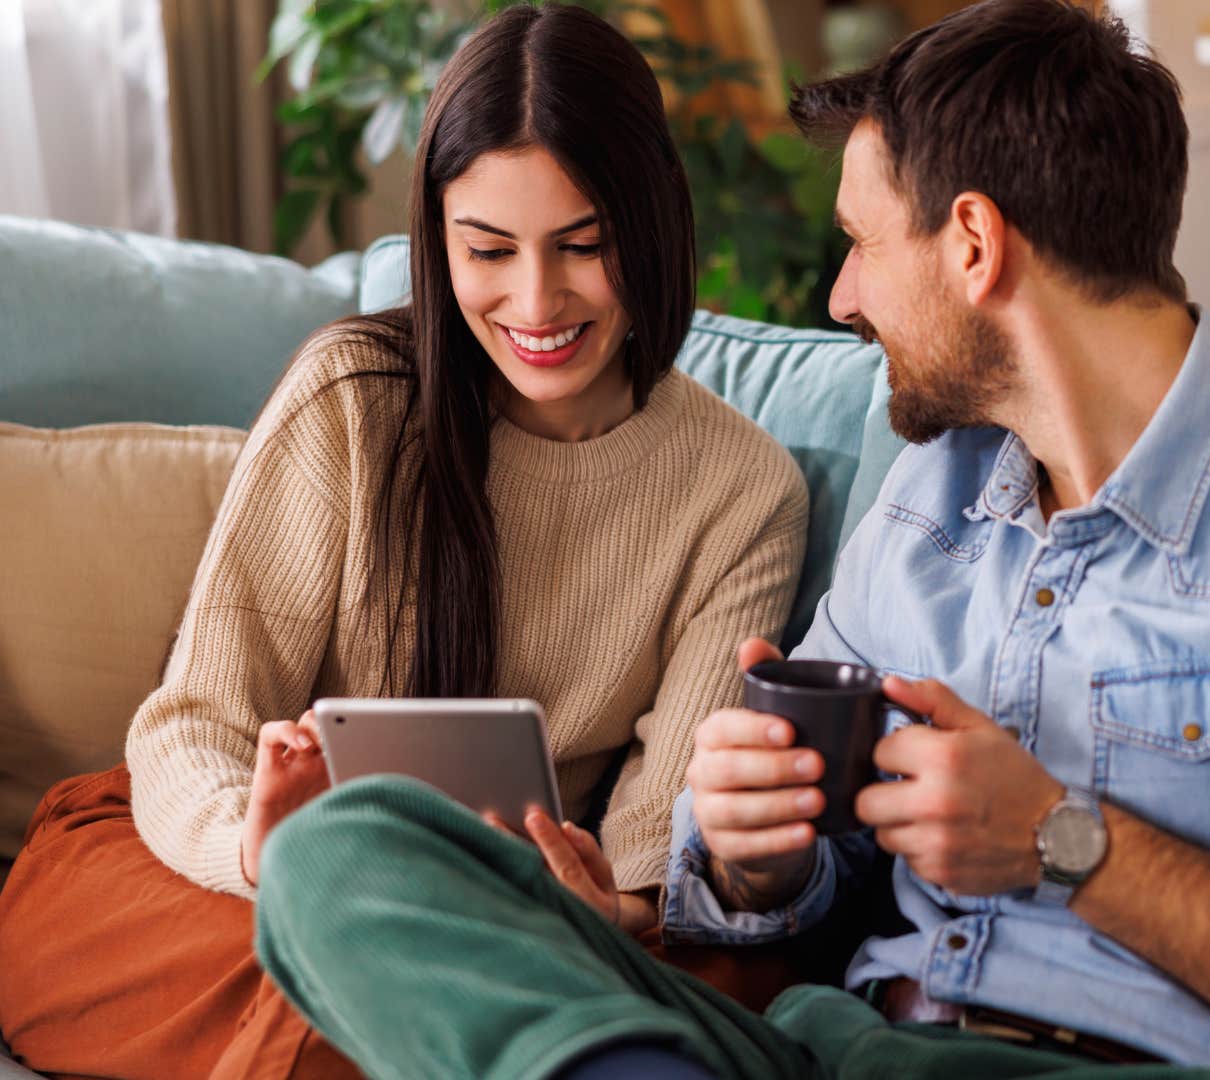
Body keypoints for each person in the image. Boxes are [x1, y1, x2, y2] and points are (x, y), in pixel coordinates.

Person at [247, 1, 1210, 1077]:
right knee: (340, 849)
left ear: (975, 243)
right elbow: (759, 872)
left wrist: (1068, 841)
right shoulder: (938, 502)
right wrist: (756, 853)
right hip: (837, 1047)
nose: (839, 296)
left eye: (864, 244)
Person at [0, 7, 810, 1078]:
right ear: (439, 238)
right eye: (487, 250)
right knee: (214, 939)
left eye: (583, 246)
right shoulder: (354, 396)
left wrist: (597, 899)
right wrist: (263, 848)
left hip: (521, 923)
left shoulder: (740, 489)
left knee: (596, 982)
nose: (535, 301)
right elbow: (192, 723)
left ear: (651, 223)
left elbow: (662, 857)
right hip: (232, 876)